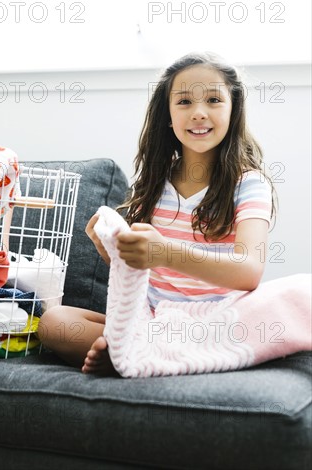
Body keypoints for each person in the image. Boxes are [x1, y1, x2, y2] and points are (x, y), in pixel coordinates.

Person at [37, 51, 277, 375]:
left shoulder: (248, 184)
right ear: (167, 114)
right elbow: (143, 269)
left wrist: (164, 252)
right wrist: (115, 250)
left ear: (233, 111)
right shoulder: (153, 185)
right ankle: (138, 358)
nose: (199, 113)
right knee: (55, 322)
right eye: (184, 102)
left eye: (213, 100)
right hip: (153, 324)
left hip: (213, 325)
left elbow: (248, 271)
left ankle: (133, 360)